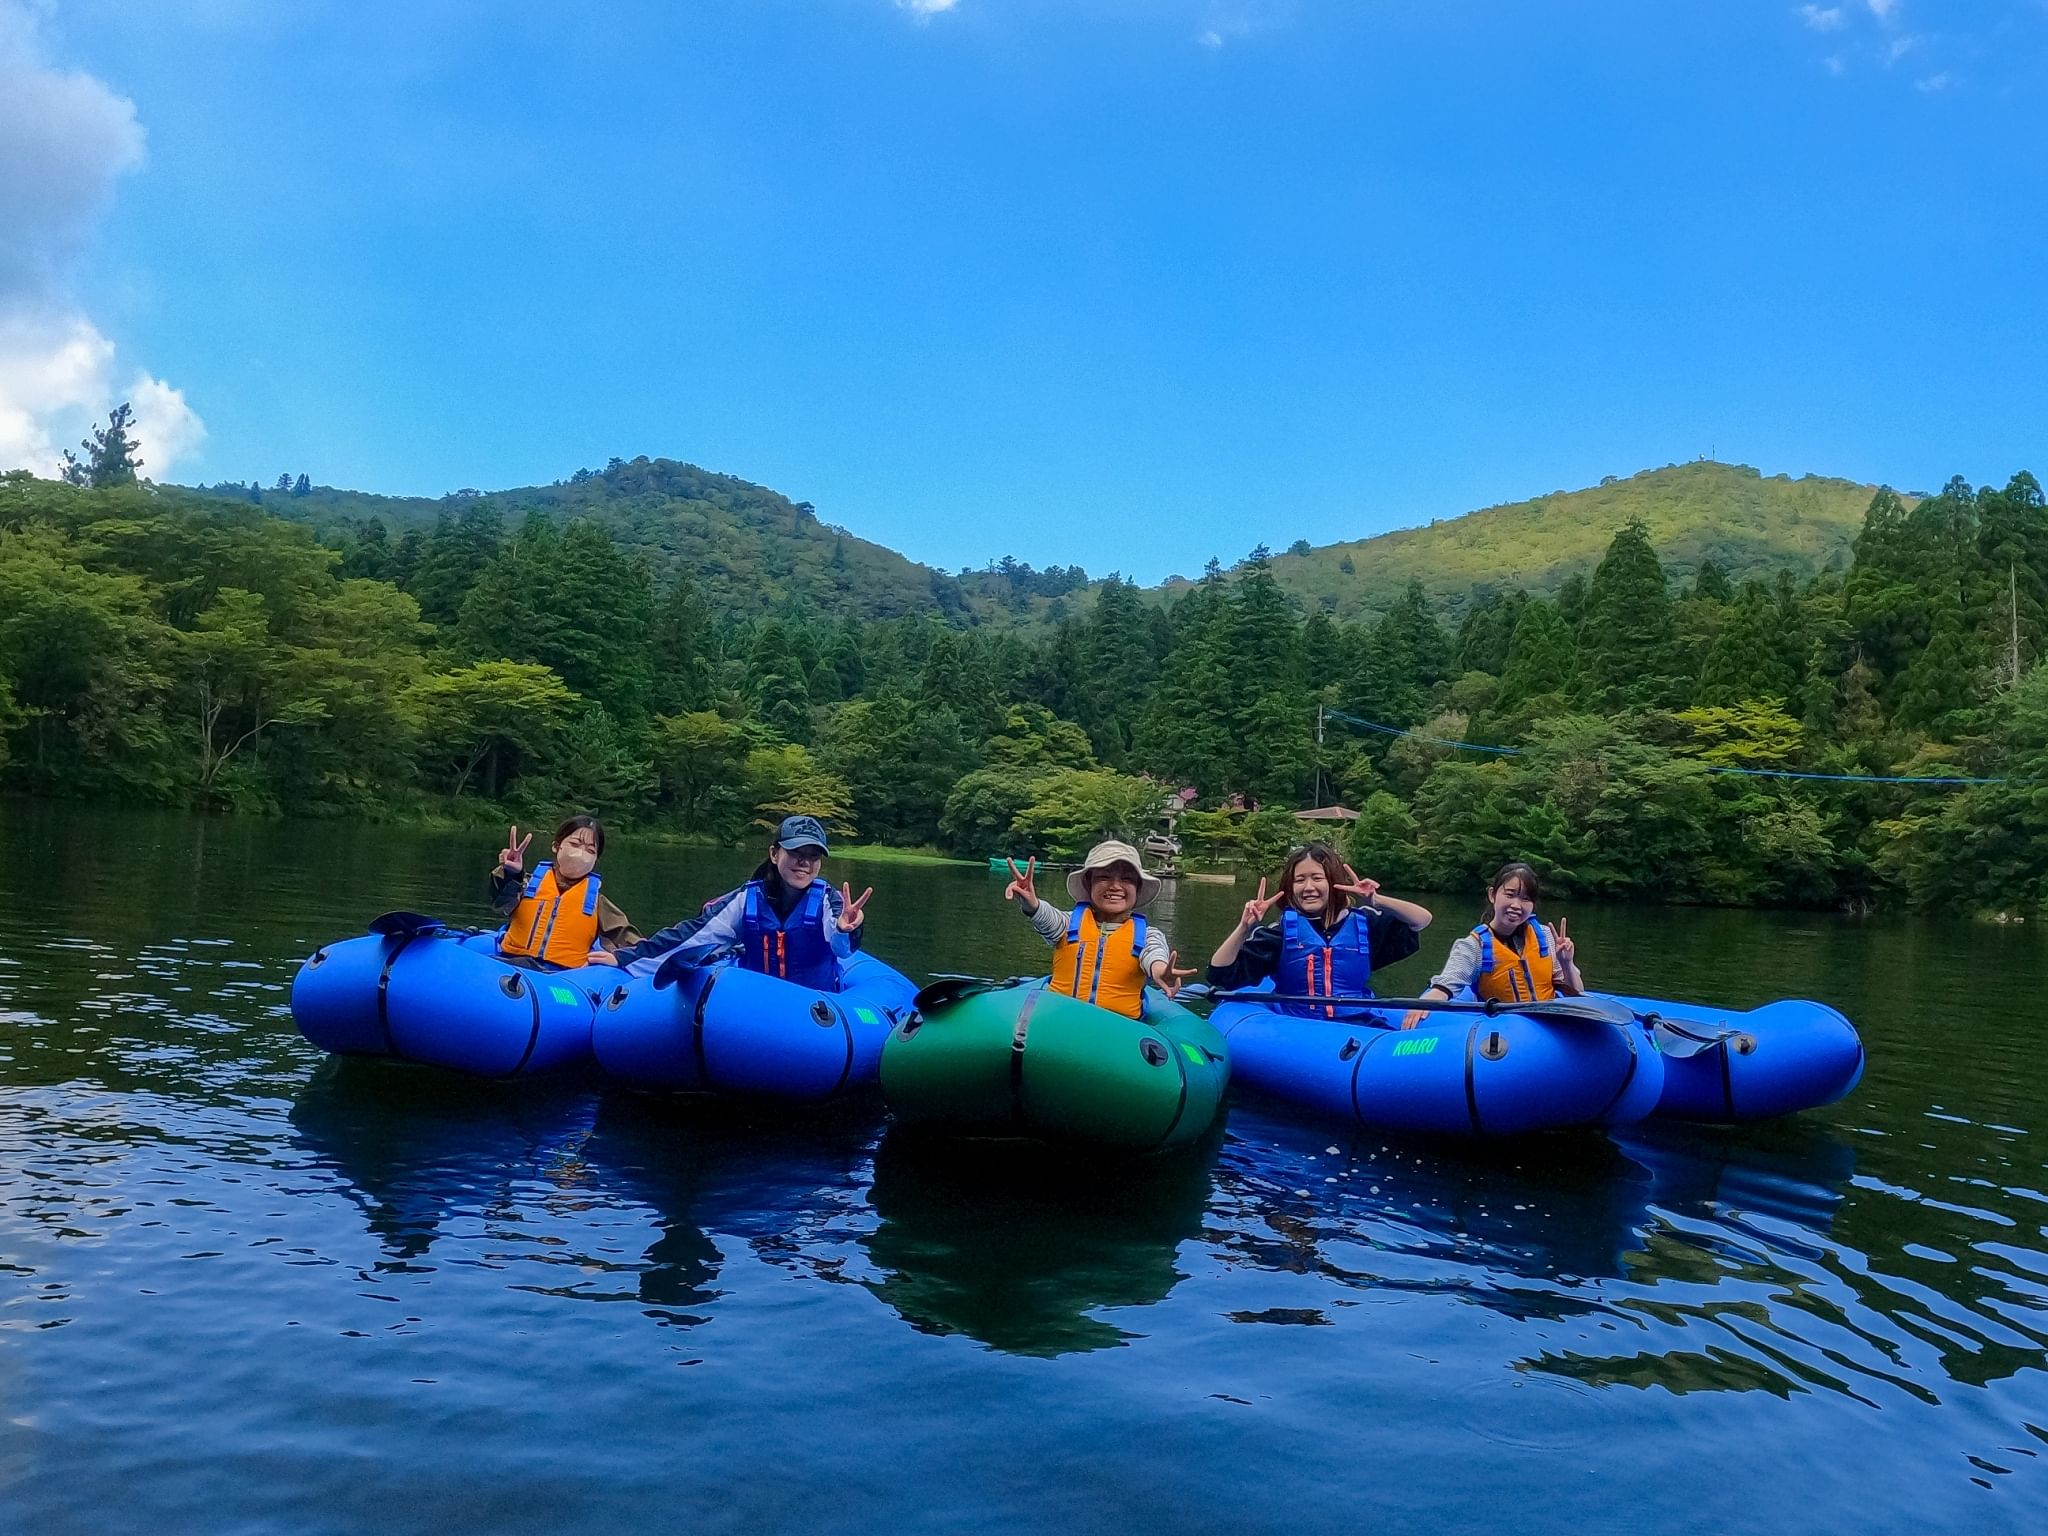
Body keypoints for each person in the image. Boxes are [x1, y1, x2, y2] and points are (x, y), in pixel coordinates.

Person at [610, 815, 871, 991]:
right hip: (752, 1003)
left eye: (813, 856)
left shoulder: (829, 900)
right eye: (795, 853)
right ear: (774, 853)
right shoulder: (747, 898)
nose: (804, 862)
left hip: (814, 1006)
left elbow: (842, 947)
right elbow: (694, 935)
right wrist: (625, 958)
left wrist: (846, 928)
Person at [1207, 843, 1433, 1016]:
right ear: (1290, 887)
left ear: (1333, 882)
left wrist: (1377, 900)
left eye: (1317, 878)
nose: (1308, 888)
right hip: (1297, 1026)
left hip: (1357, 1025)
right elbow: (1219, 974)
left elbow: (1421, 920)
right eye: (1299, 880)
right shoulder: (1279, 934)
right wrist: (1243, 928)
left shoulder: (1365, 924)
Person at [1002, 840, 1195, 1020]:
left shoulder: (1149, 935)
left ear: (1137, 887)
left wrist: (1162, 972)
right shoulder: (1068, 923)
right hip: (1061, 1021)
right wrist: (1031, 903)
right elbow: (1046, 918)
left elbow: (1154, 956)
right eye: (1104, 877)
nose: (1115, 886)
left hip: (1117, 1028)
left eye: (1127, 879)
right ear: (1088, 883)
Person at [1402, 861, 1582, 1027]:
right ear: (1492, 895)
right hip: (1505, 1031)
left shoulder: (1546, 936)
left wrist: (1567, 963)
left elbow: (1577, 995)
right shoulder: (1474, 946)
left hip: (1549, 1024)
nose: (1516, 905)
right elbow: (1445, 986)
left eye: (1526, 899)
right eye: (1510, 895)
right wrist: (1422, 1005)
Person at [491, 816, 639, 969]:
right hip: (510, 962)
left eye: (590, 850)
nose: (581, 854)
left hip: (561, 976)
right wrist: (511, 873)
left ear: (595, 860)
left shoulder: (598, 903)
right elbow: (500, 902)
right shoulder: (525, 884)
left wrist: (620, 958)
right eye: (575, 844)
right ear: (556, 846)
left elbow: (633, 942)